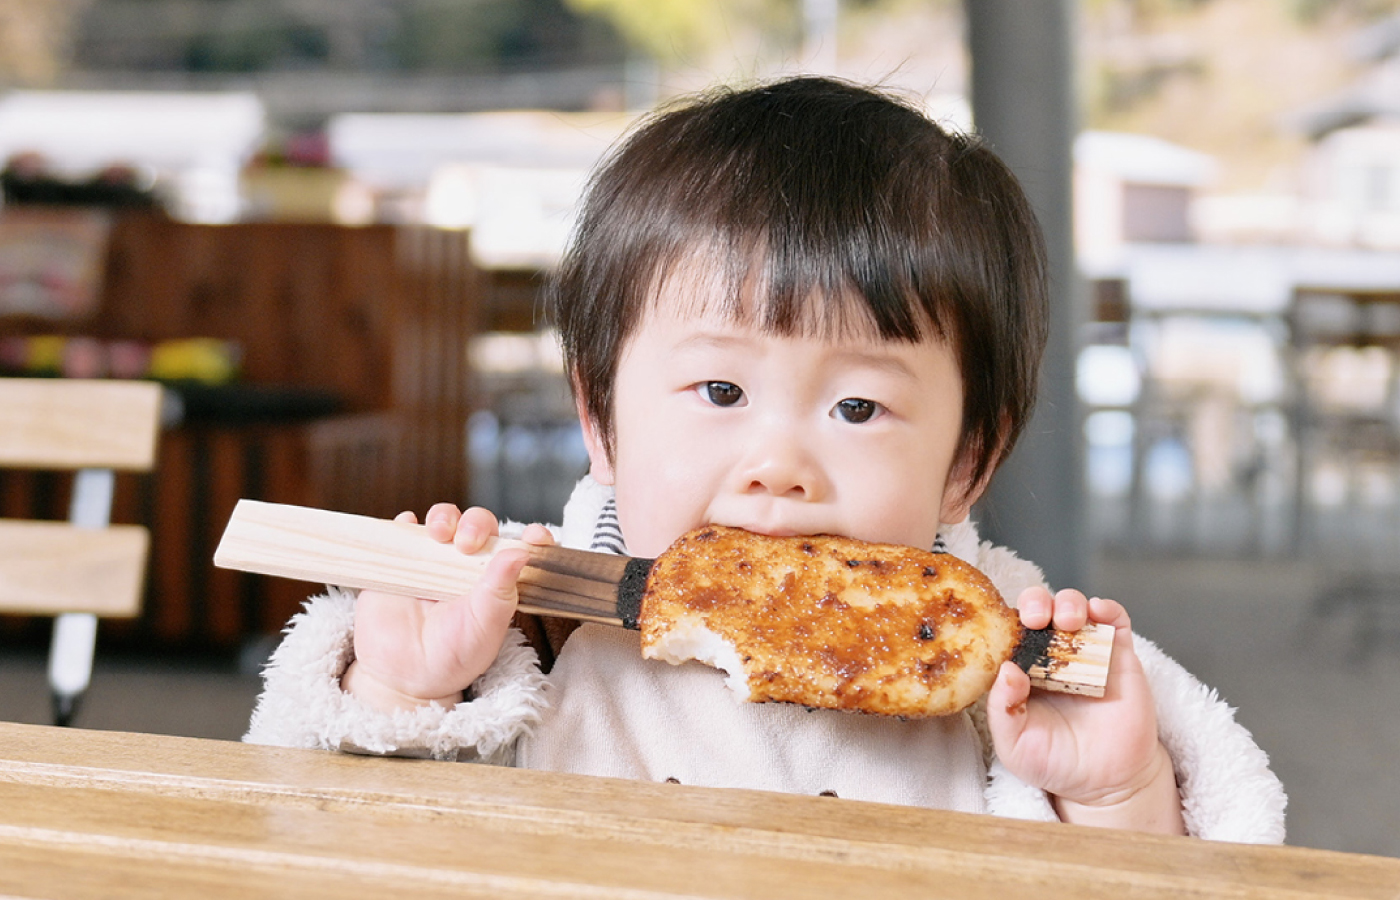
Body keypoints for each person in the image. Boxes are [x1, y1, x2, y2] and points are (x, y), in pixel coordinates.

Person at [246, 75, 1285, 841]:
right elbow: (332, 843)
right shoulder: (530, 627)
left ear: (968, 459)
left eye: (857, 404)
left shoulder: (1004, 661)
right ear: (599, 423)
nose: (777, 466)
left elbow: (1185, 869)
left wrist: (1109, 796)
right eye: (719, 392)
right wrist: (402, 693)